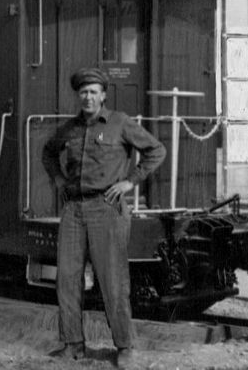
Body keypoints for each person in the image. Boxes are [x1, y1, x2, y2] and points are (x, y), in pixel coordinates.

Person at [42, 67, 165, 367]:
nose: (88, 97)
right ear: (78, 95)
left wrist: (130, 182)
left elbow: (156, 150)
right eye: (83, 92)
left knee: (113, 281)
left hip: (106, 210)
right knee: (67, 279)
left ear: (104, 95)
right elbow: (48, 153)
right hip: (73, 209)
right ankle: (73, 344)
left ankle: (124, 347)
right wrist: (58, 180)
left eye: (94, 91)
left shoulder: (120, 123)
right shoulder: (70, 129)